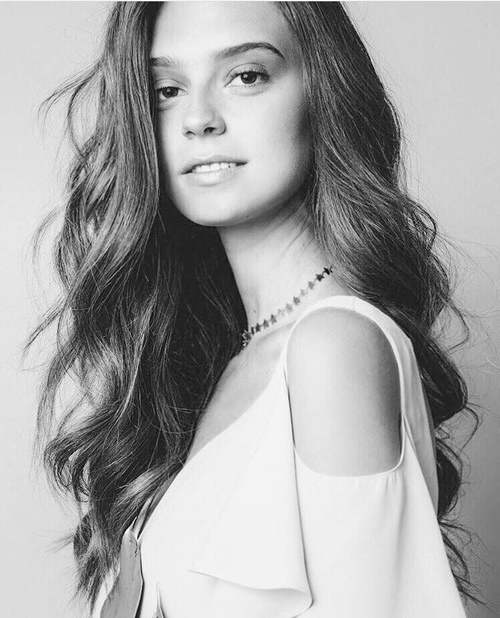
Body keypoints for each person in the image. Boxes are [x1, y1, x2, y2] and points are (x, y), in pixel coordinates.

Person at [28, 2, 486, 617]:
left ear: (323, 92)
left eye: (245, 76)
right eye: (166, 90)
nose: (198, 119)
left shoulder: (332, 347)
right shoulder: (215, 361)